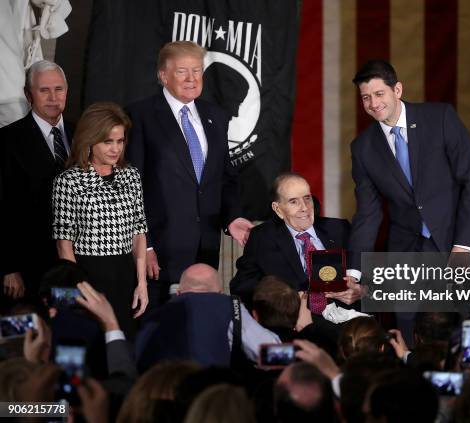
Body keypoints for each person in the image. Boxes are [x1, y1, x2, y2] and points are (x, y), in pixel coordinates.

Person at [125, 40, 253, 309]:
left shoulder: (215, 115)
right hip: (159, 250)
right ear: (163, 75)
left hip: (205, 245)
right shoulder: (140, 116)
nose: (192, 79)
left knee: (200, 319)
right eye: (183, 71)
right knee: (161, 325)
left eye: (197, 71)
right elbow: (130, 188)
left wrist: (233, 216)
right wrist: (144, 246)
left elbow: (224, 176)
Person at [348, 60, 470, 264]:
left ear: (397, 89)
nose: (373, 104)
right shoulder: (362, 147)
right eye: (366, 98)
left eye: (379, 94)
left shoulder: (440, 118)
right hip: (407, 253)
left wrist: (463, 245)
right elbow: (368, 213)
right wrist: (354, 271)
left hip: (459, 242)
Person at [51, 102, 148, 338]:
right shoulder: (68, 181)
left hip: (124, 275)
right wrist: (80, 289)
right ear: (90, 141)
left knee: (123, 343)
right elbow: (64, 244)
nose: (115, 149)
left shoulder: (131, 175)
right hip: (83, 275)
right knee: (79, 349)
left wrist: (142, 283)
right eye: (108, 141)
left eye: (120, 141)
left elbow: (139, 232)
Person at [230, 172, 356, 313]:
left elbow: (378, 277)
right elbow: (241, 286)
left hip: (346, 322)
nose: (304, 208)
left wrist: (362, 291)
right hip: (291, 322)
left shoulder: (340, 229)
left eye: (307, 198)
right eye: (293, 201)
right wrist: (283, 297)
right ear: (278, 209)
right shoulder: (262, 237)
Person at [0, 60, 72, 302]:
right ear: (28, 94)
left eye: (59, 89)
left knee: (66, 333)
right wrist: (8, 267)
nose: (53, 97)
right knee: (22, 334)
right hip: (25, 269)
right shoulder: (7, 140)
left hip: (72, 266)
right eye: (44, 90)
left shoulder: (84, 134)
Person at [135, 263, 280, 371]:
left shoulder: (157, 315)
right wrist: (298, 356)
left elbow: (139, 358)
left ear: (178, 293)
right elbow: (269, 353)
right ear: (221, 292)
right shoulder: (229, 306)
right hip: (211, 399)